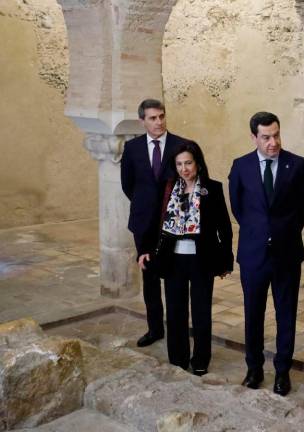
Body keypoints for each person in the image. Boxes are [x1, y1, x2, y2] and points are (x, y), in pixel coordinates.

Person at [229, 112, 304, 396]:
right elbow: (238, 209)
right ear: (254, 137)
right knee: (253, 314)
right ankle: (254, 368)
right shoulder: (241, 166)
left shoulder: (297, 165)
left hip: (287, 254)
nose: (273, 142)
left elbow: (303, 207)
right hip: (253, 255)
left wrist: (281, 233)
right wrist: (260, 233)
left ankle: (282, 372)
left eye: (276, 135)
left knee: (286, 315)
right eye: (266, 137)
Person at [137, 141, 233, 376]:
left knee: (201, 311)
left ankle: (200, 359)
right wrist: (146, 249)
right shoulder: (168, 188)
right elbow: (155, 223)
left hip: (201, 260)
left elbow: (225, 228)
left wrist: (225, 261)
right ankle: (178, 359)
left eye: (188, 163)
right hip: (173, 260)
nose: (184, 168)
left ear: (198, 164)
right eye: (179, 164)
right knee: (176, 310)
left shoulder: (213, 188)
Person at [120, 99, 186, 347]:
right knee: (149, 279)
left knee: (174, 276)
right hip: (143, 223)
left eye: (161, 116)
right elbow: (128, 184)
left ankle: (177, 329)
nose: (159, 122)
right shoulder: (133, 148)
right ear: (142, 121)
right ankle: (155, 328)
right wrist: (144, 205)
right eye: (153, 118)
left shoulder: (181, 145)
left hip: (172, 223)